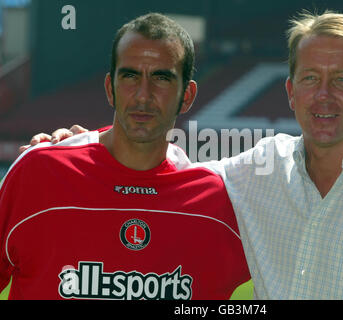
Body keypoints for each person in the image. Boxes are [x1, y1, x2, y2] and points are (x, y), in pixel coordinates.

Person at [20, 12, 343, 299]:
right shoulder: (255, 171)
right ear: (290, 92)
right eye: (310, 78)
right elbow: (163, 171)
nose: (323, 95)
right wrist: (76, 143)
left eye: (341, 80)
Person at [0, 13, 251, 300]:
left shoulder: (216, 202)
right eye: (130, 76)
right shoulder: (38, 172)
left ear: (187, 95)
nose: (143, 95)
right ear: (110, 88)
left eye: (161, 77)